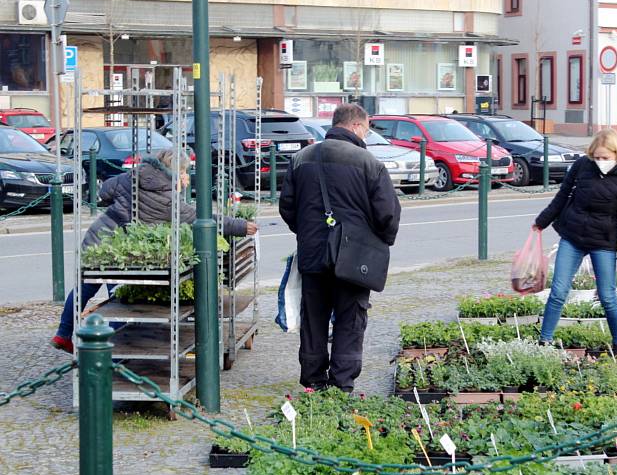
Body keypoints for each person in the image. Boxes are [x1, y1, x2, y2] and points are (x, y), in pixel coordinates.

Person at [51, 150, 257, 353]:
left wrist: (123, 204)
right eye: (185, 172)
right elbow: (201, 219)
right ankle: (109, 351)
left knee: (85, 289)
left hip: (97, 238)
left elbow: (105, 191)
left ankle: (63, 334)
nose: (187, 176)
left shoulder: (133, 175)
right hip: (119, 250)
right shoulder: (167, 199)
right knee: (119, 301)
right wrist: (240, 226)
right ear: (176, 172)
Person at [279, 103, 401, 392]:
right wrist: (378, 241)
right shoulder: (369, 163)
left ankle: (313, 382)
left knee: (314, 320)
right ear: (356, 126)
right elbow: (388, 214)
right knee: (350, 319)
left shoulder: (301, 158)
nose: (367, 134)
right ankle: (342, 385)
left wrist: (308, 232)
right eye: (367, 128)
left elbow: (287, 207)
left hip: (312, 253)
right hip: (354, 257)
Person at [533, 129, 617, 355]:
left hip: (603, 241)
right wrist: (542, 221)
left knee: (608, 296)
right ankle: (544, 342)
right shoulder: (583, 166)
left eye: (605, 157)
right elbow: (562, 196)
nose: (600, 161)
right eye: (597, 157)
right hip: (573, 236)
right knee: (558, 291)